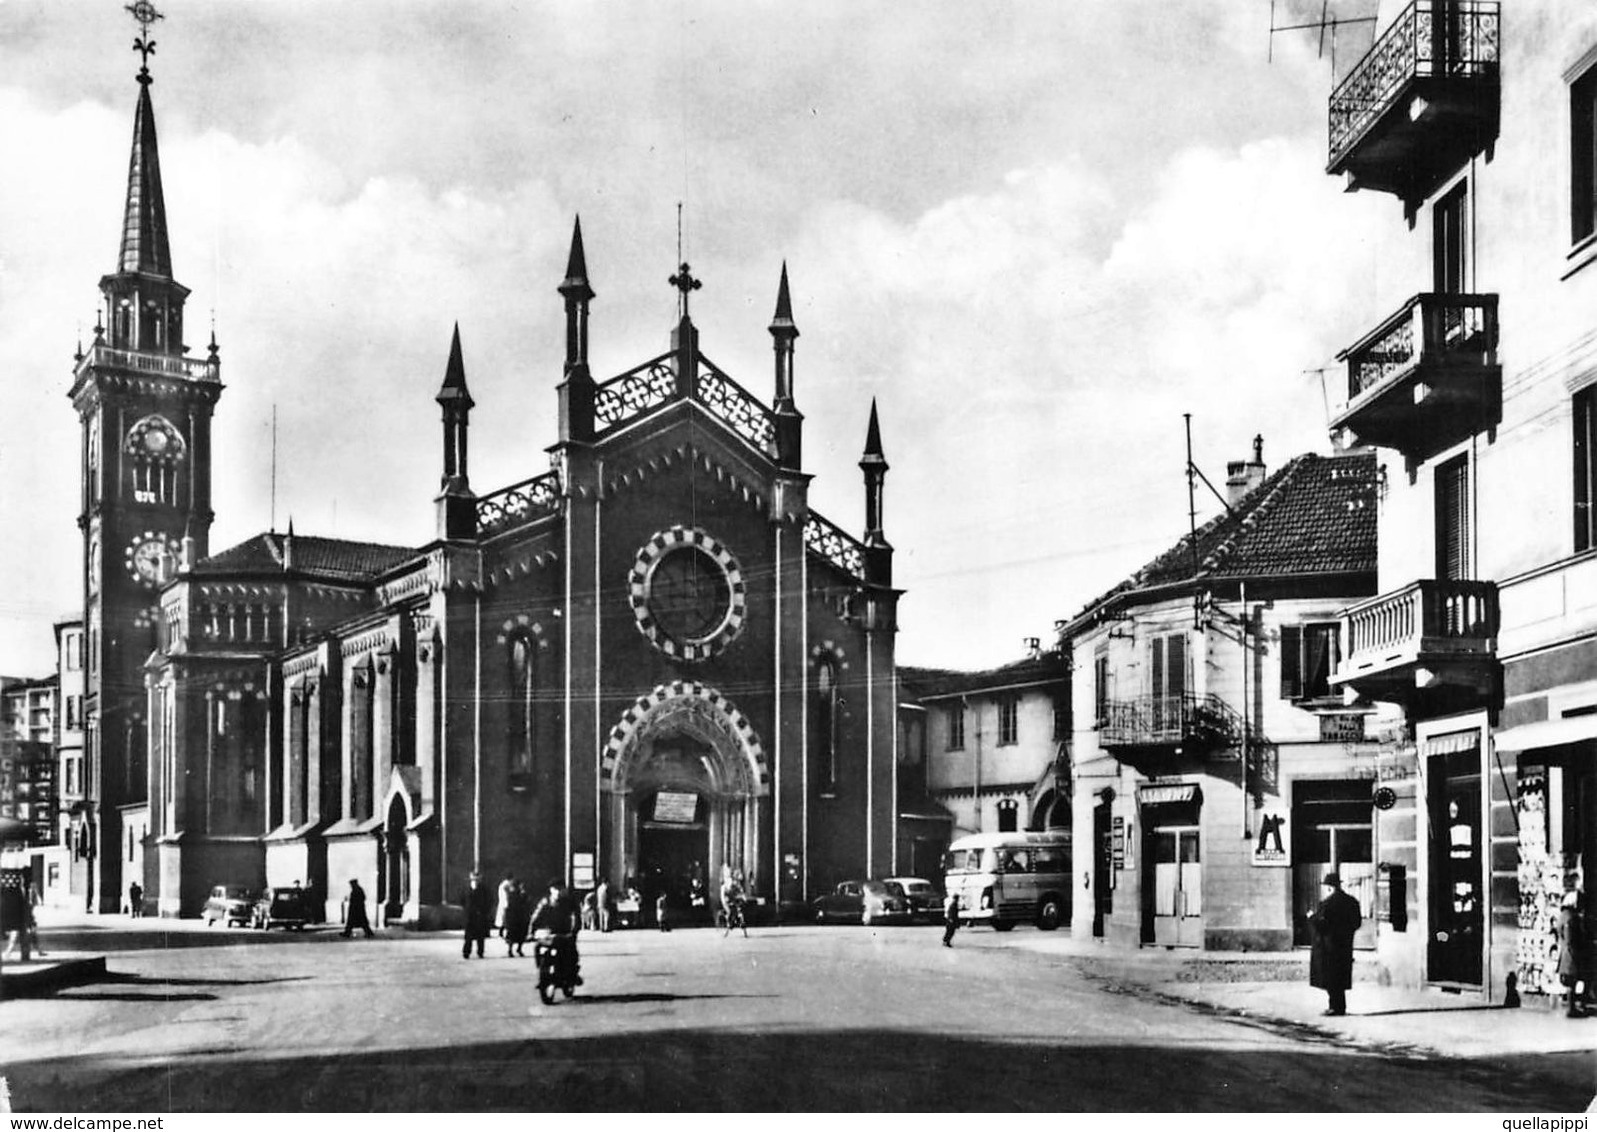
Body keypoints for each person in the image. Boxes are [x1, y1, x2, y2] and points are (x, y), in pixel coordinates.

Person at [1309, 871, 1362, 1016]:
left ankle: (1335, 1007)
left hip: (1328, 946)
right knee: (1340, 977)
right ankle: (1340, 1007)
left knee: (1330, 977)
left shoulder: (1327, 904)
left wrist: (1311, 918)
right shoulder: (1351, 902)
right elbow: (1357, 923)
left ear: (1330, 888)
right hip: (1344, 946)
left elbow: (1322, 925)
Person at [528, 878, 583, 985]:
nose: (557, 891)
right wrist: (531, 932)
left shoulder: (570, 902)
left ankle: (572, 974)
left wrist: (574, 932)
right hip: (549, 933)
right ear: (550, 890)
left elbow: (576, 918)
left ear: (565, 890)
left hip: (565, 932)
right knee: (537, 947)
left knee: (570, 951)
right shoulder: (545, 902)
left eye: (560, 889)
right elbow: (536, 917)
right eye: (555, 889)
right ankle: (542, 972)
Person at [1556, 888, 1586, 1018]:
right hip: (1570, 954)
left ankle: (1572, 1006)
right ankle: (1571, 1008)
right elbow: (1570, 938)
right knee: (1572, 981)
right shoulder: (1570, 917)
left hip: (1565, 952)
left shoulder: (1562, 916)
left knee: (1570, 982)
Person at [462, 871, 492, 959]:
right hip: (469, 916)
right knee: (468, 936)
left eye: (477, 879)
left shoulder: (484, 889)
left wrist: (485, 911)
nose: (475, 880)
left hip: (480, 916)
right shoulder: (466, 889)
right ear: (470, 879)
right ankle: (466, 952)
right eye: (473, 879)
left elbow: (489, 901)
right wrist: (467, 910)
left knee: (480, 936)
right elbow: (462, 900)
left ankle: (480, 952)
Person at [504, 879, 531, 958]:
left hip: (519, 917)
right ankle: (512, 949)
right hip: (515, 917)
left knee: (520, 935)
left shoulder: (521, 895)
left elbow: (527, 904)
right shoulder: (512, 895)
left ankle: (516, 949)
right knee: (514, 935)